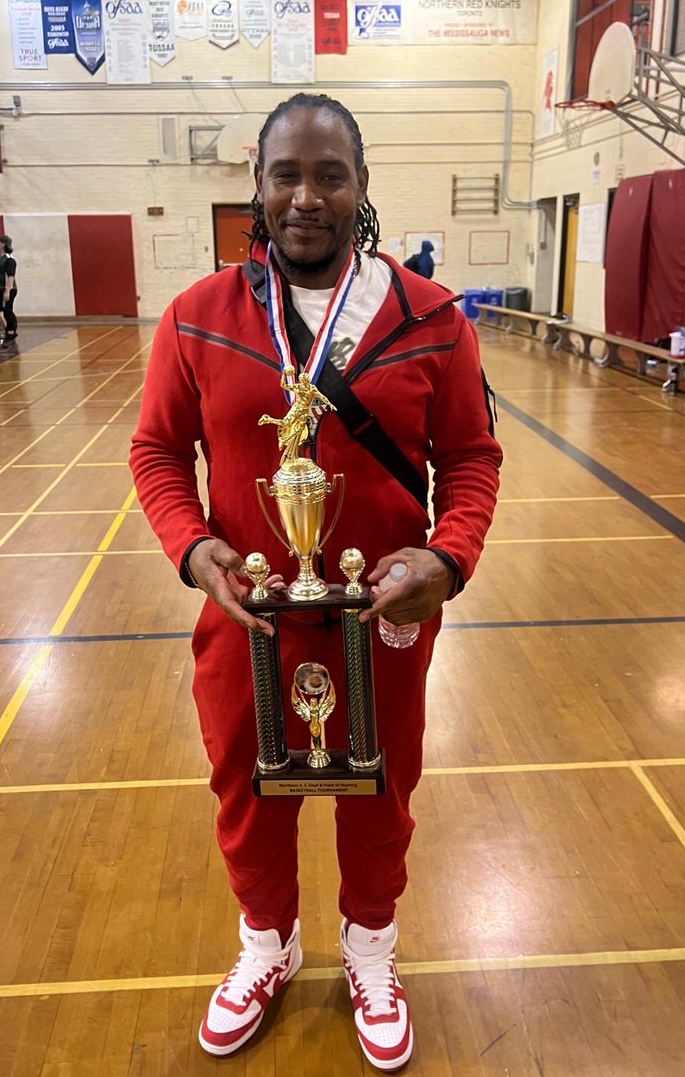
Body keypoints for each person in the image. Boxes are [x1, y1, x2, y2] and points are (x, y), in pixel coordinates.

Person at [130, 93, 501, 1071]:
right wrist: (194, 546)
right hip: (247, 617)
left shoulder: (433, 321)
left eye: (329, 175)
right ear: (256, 189)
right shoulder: (196, 319)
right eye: (286, 175)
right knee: (248, 790)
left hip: (384, 619)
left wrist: (447, 556)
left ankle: (370, 951)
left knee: (380, 791)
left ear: (361, 189)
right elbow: (158, 452)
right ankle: (268, 945)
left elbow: (470, 459)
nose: (307, 196)